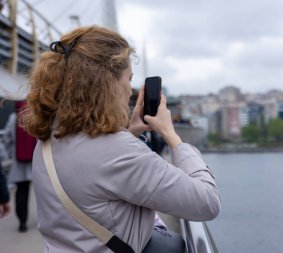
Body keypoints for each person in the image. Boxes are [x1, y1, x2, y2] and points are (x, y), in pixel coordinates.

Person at [21, 26, 221, 253]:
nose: (130, 90)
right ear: (109, 84)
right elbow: (207, 202)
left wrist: (131, 131)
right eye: (129, 78)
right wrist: (171, 135)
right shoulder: (117, 150)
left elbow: (96, 176)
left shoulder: (49, 137)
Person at [3, 107, 34, 232]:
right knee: (43, 192)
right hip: (35, 163)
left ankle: (22, 223)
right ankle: (45, 222)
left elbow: (6, 139)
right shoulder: (36, 115)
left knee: (21, 192)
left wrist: (11, 153)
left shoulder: (13, 117)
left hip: (18, 163)